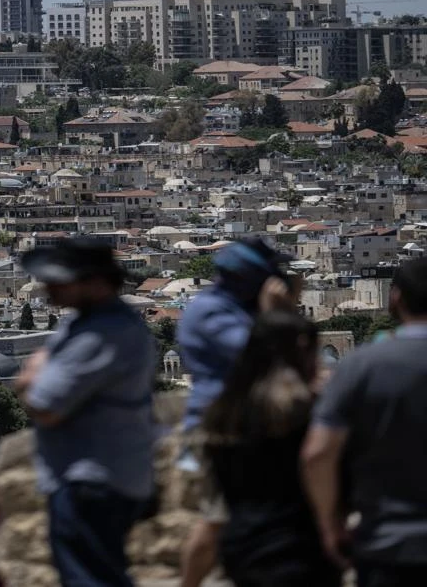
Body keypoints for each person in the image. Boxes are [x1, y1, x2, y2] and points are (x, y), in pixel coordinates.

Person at [14, 237, 156, 587]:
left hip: (92, 479)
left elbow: (44, 405)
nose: (48, 288)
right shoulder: (87, 323)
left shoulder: (104, 333)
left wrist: (31, 373)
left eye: (60, 281)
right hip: (93, 475)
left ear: (94, 283)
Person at [175, 238, 298, 587]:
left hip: (254, 426)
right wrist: (278, 311)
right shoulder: (211, 311)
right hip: (221, 430)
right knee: (218, 518)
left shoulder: (241, 308)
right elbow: (261, 353)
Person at [304, 257, 427, 587]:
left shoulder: (360, 367)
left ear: (395, 298)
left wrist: (330, 525)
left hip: (389, 545)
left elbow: (318, 454)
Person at [202, 311, 340, 587]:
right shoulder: (308, 412)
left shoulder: (223, 413)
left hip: (243, 546)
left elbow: (216, 508)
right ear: (303, 351)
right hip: (301, 547)